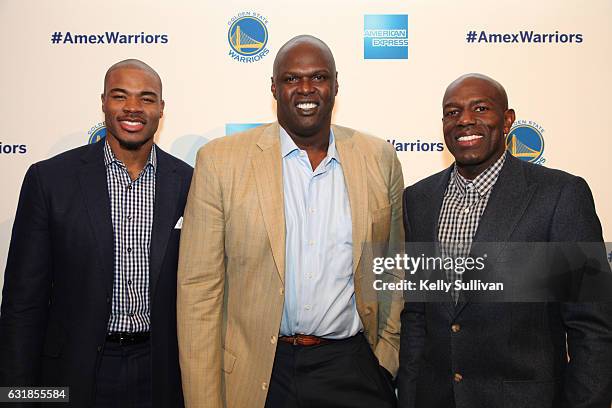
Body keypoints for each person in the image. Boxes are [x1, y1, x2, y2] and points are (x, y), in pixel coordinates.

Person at [177, 35, 404, 408]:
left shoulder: (378, 157)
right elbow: (199, 292)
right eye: (291, 78)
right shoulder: (220, 161)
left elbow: (393, 267)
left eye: (318, 77)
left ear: (335, 85)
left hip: (352, 366)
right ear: (273, 87)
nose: (305, 89)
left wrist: (386, 357)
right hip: (260, 373)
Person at [397, 73, 612, 407]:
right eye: (452, 112)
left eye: (480, 108)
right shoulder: (419, 200)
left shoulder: (560, 196)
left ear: (508, 119)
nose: (465, 119)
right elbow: (417, 317)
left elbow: (592, 328)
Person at [0, 59, 192, 407]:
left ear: (161, 109)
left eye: (147, 98)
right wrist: (16, 396)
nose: (133, 108)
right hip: (72, 371)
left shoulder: (190, 183)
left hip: (161, 371)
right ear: (103, 102)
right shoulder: (50, 181)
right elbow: (21, 304)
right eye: (121, 96)